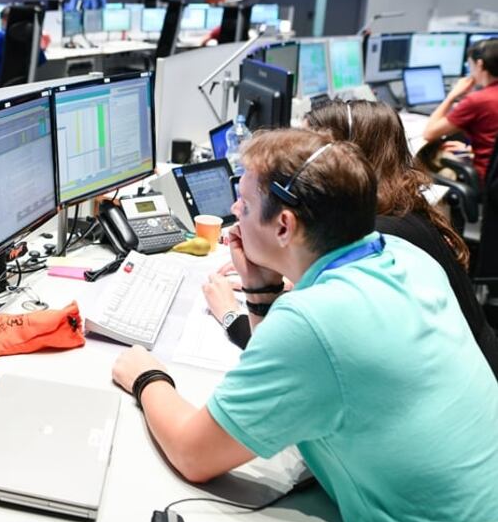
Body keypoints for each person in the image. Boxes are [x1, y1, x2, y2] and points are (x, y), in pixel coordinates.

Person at [112, 129, 498, 522]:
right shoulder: (405, 256)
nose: (233, 210)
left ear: (284, 226)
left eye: (243, 202)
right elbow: (287, 379)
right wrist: (261, 292)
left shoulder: (314, 321)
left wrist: (147, 377)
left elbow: (193, 454)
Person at [203, 100, 498, 378]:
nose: (301, 156)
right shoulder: (399, 208)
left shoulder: (376, 233)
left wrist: (232, 314)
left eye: (312, 147)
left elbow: (293, 355)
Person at [422, 38, 498, 183]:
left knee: (428, 156)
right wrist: (469, 149)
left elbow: (429, 133)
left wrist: (451, 96)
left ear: (480, 64)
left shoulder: (478, 100)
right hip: (494, 178)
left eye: (470, 65)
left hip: (484, 181)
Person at [0, 7, 50, 91]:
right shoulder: (31, 37)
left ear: (4, 20)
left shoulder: (1, 37)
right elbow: (41, 60)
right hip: (20, 85)